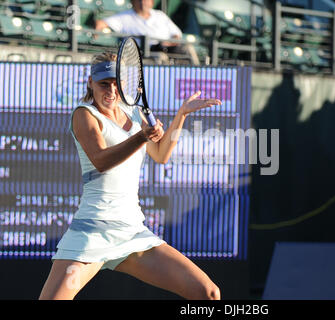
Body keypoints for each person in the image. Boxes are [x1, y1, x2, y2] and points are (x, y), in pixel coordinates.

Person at [39, 51, 222, 300]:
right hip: (90, 234)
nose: (111, 91)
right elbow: (101, 160)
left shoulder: (136, 113)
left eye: (116, 83)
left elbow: (161, 154)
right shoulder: (84, 114)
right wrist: (141, 137)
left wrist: (181, 116)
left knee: (208, 293)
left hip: (132, 233)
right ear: (90, 83)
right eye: (104, 83)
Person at [95, 0, 199, 64]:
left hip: (167, 46)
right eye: (139, 0)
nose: (142, 2)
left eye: (145, 0)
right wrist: (97, 28)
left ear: (152, 2)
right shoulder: (125, 16)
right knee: (160, 57)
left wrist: (169, 43)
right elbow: (102, 23)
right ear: (132, 2)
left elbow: (176, 34)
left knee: (187, 48)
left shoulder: (160, 15)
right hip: (144, 51)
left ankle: (197, 76)